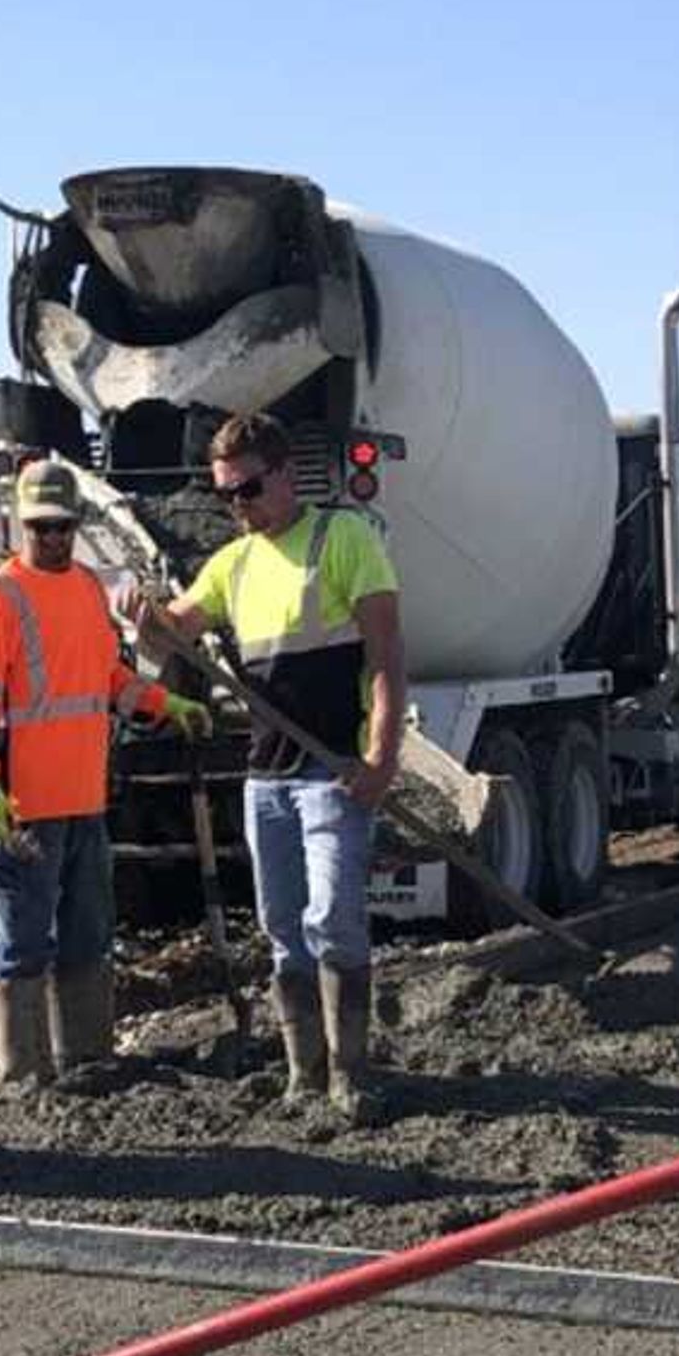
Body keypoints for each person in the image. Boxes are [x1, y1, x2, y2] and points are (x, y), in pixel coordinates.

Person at [132, 412, 407, 1121]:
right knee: (284, 927)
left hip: (331, 775)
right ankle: (303, 1073)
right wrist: (143, 615)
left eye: (249, 489)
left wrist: (381, 758)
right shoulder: (233, 563)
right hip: (267, 781)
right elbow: (171, 636)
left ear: (286, 474)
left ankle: (350, 1073)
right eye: (226, 494)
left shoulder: (342, 539)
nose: (239, 505)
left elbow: (385, 662)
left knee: (334, 921)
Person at [0, 457, 211, 1086]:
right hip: (26, 812)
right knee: (23, 943)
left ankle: (88, 1061)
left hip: (85, 803)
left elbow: (108, 681)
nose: (53, 539)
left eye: (63, 526)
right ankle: (24, 1075)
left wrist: (165, 703)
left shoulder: (87, 589)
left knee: (88, 936)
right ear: (22, 525)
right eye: (41, 527)